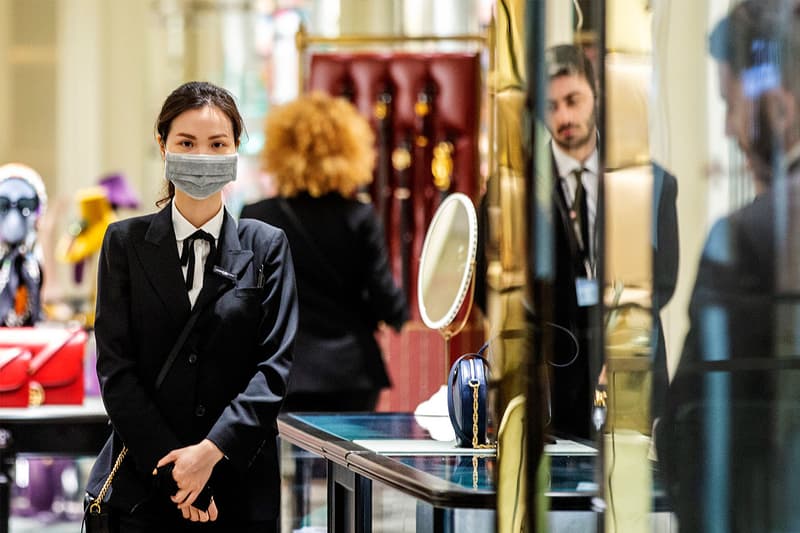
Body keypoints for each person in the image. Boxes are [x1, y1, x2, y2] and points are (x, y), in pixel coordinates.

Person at [86, 81, 298, 532]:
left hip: (239, 482)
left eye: (217, 143)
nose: (202, 155)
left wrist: (211, 453)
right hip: (145, 488)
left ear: (236, 148)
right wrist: (177, 473)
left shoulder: (267, 246)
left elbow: (273, 369)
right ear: (162, 146)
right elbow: (116, 370)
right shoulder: (124, 244)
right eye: (186, 142)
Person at [658, 2, 800, 531]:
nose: (728, 127)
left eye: (731, 104)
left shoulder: (749, 237)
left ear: (775, 101)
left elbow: (690, 434)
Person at [240, 91, 408, 412]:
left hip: (281, 369)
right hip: (350, 372)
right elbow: (387, 300)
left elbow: (245, 301)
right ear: (350, 151)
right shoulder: (359, 217)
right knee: (349, 461)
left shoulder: (256, 216)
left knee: (282, 460)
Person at [544, 44, 679, 439]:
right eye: (552, 106)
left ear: (595, 94)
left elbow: (663, 280)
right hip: (555, 387)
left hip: (633, 371)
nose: (565, 116)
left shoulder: (651, 183)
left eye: (573, 100)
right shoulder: (522, 191)